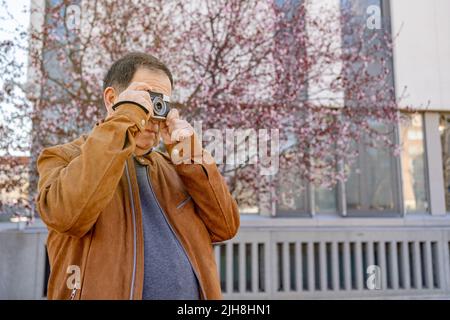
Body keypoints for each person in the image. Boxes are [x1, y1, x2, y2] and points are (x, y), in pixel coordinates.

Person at [36, 52, 240, 300]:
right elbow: (66, 216)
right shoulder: (63, 157)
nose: (153, 115)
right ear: (112, 99)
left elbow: (226, 227)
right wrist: (126, 119)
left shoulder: (176, 167)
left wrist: (190, 154)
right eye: (147, 99)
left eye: (161, 104)